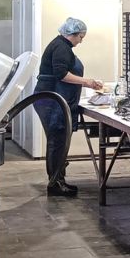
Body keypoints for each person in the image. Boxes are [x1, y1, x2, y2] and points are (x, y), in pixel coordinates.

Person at [34, 17, 103, 197]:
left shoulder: (61, 46)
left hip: (54, 101)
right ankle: (55, 183)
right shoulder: (61, 48)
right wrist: (87, 82)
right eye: (81, 37)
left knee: (59, 141)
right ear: (73, 33)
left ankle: (58, 180)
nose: (81, 41)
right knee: (57, 141)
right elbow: (62, 74)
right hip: (52, 102)